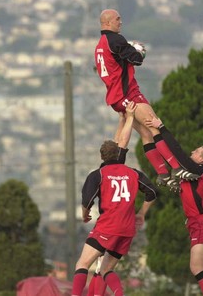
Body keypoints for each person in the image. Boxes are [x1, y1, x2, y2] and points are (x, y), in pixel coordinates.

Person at [94, 8, 198, 189]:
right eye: (118, 19)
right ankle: (175, 168)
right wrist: (140, 50)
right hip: (127, 95)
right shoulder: (115, 40)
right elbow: (137, 59)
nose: (121, 22)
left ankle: (162, 173)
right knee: (154, 125)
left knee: (146, 133)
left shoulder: (100, 45)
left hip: (117, 98)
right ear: (108, 22)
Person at [71, 102, 158, 296]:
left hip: (108, 226)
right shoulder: (133, 173)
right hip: (127, 230)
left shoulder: (98, 175)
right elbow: (152, 192)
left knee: (83, 264)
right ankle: (119, 293)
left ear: (102, 156)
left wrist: (85, 215)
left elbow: (86, 202)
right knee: (106, 270)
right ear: (119, 155)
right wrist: (141, 213)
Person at [145, 114, 203, 296]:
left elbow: (176, 152)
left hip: (202, 223)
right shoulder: (192, 173)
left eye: (197, 151)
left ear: (201, 158)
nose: (193, 151)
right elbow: (172, 163)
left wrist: (161, 127)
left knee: (196, 267)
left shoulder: (198, 169)